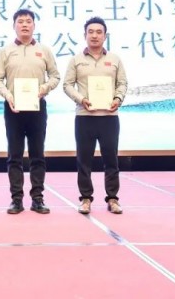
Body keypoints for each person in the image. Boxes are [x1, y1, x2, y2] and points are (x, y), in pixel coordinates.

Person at [0, 9, 60, 215]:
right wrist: (8, 96)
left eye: (28, 21)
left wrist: (44, 88)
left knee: (37, 155)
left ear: (34, 26)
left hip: (37, 107)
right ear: (14, 26)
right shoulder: (6, 51)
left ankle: (37, 199)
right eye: (20, 21)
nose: (24, 25)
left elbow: (55, 76)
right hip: (13, 108)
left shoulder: (44, 50)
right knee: (14, 155)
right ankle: (16, 199)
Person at [62, 16, 128, 215]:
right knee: (84, 160)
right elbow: (67, 85)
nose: (94, 36)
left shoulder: (115, 59)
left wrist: (118, 98)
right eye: (90, 32)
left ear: (105, 36)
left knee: (111, 160)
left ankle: (113, 198)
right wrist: (81, 99)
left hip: (109, 117)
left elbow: (122, 83)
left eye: (99, 32)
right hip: (85, 116)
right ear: (85, 35)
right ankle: (85, 198)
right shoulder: (76, 60)